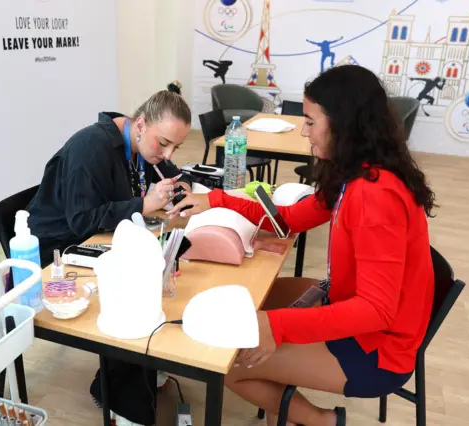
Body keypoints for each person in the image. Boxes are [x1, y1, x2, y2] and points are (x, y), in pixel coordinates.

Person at [167, 65, 436, 426]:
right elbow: (288, 220)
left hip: (378, 348)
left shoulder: (375, 196)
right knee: (255, 302)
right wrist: (218, 200)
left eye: (310, 122)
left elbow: (375, 311)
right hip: (351, 309)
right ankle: (289, 409)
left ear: (343, 124)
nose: (304, 132)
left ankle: (322, 421)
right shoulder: (355, 174)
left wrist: (276, 327)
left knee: (227, 363)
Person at [27, 81, 193, 266]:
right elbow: (82, 221)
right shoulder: (90, 148)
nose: (168, 154)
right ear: (140, 125)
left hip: (105, 238)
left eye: (176, 147)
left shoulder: (144, 144)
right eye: (163, 143)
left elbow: (176, 176)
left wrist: (181, 191)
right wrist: (145, 204)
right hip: (57, 253)